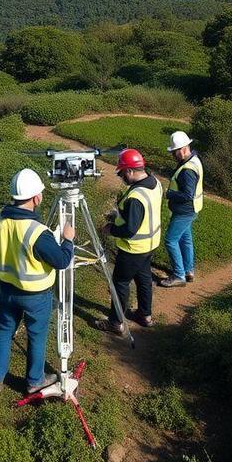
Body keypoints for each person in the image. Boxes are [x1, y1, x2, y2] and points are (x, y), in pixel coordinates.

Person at [0, 168, 75, 395]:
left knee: (5, 330)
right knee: (36, 335)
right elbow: (62, 261)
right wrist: (67, 240)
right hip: (36, 295)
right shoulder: (38, 232)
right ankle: (34, 381)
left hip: (7, 289)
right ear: (37, 197)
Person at [94, 148, 162, 334]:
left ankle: (116, 323)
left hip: (133, 248)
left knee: (120, 283)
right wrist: (118, 215)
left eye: (122, 172)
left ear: (131, 171)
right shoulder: (155, 183)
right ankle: (144, 315)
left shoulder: (135, 198)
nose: (121, 177)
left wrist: (111, 229)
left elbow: (130, 229)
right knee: (144, 279)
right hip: (150, 244)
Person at [159, 131, 203, 287]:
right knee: (186, 240)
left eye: (174, 152)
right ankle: (188, 271)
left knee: (170, 240)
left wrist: (169, 194)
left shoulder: (187, 170)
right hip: (190, 210)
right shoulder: (194, 160)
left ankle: (179, 275)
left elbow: (187, 194)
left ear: (183, 149)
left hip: (184, 211)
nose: (173, 155)